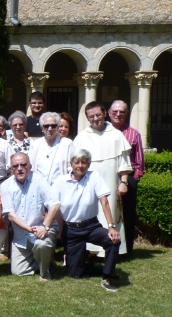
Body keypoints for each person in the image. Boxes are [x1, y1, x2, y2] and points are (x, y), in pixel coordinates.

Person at [54, 149, 122, 291]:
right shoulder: (61, 181)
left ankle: (107, 276)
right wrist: (58, 231)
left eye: (84, 162)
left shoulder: (94, 177)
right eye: (77, 162)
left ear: (89, 164)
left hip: (91, 226)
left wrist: (111, 227)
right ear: (71, 164)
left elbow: (104, 202)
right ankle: (91, 265)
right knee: (75, 274)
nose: (80, 165)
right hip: (71, 230)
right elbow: (55, 207)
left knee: (113, 240)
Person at [73, 101, 132, 256]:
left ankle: (111, 249)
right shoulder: (82, 137)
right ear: (87, 118)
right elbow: (74, 165)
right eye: (91, 116)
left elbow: (124, 163)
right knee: (90, 214)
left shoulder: (116, 134)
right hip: (88, 185)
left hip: (111, 183)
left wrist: (124, 182)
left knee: (111, 212)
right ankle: (91, 251)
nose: (95, 119)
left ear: (105, 113)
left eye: (98, 115)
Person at [0, 152, 62, 280]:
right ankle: (43, 259)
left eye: (23, 165)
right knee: (17, 272)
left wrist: (44, 227)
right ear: (11, 169)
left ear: (30, 166)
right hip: (21, 236)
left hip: (43, 229)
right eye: (15, 166)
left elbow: (55, 205)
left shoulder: (39, 180)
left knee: (42, 245)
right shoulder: (5, 186)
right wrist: (29, 229)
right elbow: (11, 215)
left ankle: (44, 272)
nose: (19, 168)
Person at [109, 100, 144, 256]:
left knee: (128, 214)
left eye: (122, 111)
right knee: (108, 211)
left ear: (126, 113)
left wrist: (133, 179)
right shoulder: (103, 132)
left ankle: (127, 249)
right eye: (115, 111)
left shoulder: (133, 133)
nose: (118, 114)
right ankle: (107, 246)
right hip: (107, 178)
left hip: (127, 179)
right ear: (109, 113)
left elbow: (139, 161)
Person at [28, 112, 75, 185]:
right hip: (39, 188)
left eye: (53, 126)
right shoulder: (35, 144)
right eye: (46, 126)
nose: (50, 129)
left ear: (57, 127)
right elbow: (30, 167)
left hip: (61, 188)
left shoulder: (67, 143)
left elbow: (72, 167)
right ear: (41, 127)